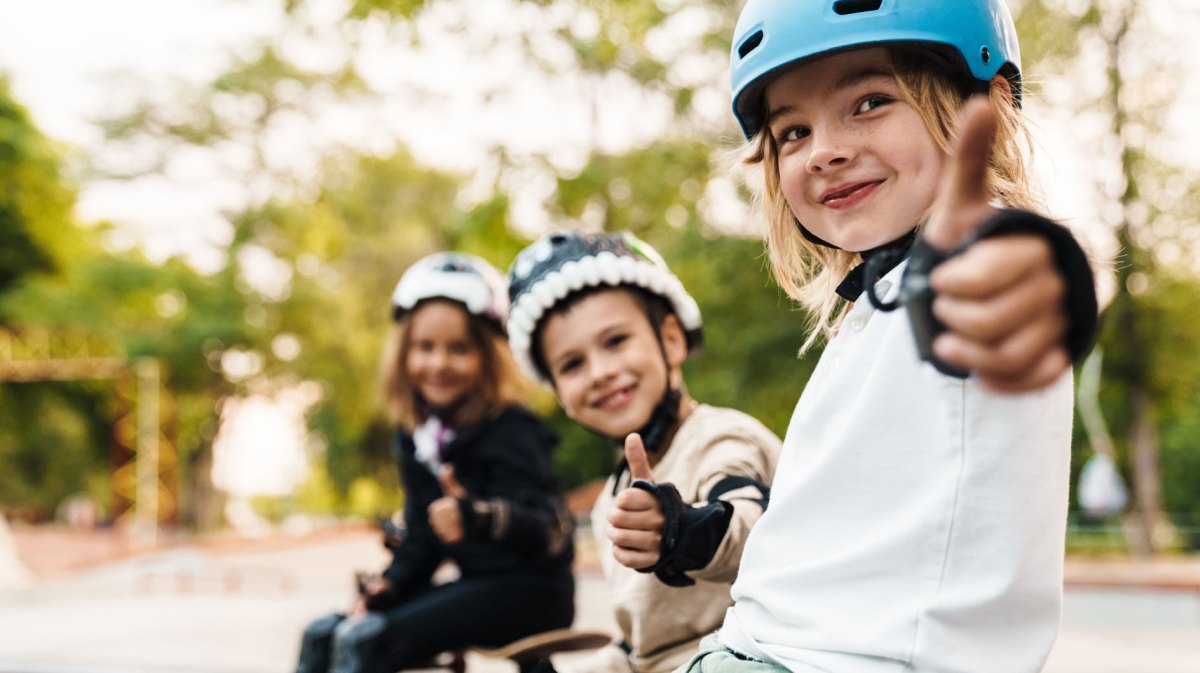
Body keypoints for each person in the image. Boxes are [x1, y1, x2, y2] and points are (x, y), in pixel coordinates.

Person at [674, 1, 1102, 672]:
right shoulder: (873, 304)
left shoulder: (960, 259)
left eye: (869, 101)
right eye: (792, 132)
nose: (825, 150)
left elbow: (1021, 277)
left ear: (976, 109)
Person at [505, 231, 782, 673]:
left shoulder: (722, 439)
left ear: (671, 339)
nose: (600, 372)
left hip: (748, 658)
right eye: (572, 364)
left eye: (615, 341)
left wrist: (682, 530)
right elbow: (642, 650)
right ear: (558, 392)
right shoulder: (610, 504)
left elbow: (751, 522)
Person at [295, 252, 575, 673]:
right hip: (477, 586)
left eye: (458, 349)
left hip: (533, 591)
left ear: (487, 356)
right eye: (425, 347)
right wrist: (389, 587)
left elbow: (550, 530)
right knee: (325, 633)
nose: (439, 363)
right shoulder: (417, 437)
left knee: (370, 642)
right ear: (404, 355)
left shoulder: (511, 428)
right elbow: (424, 537)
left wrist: (479, 517)